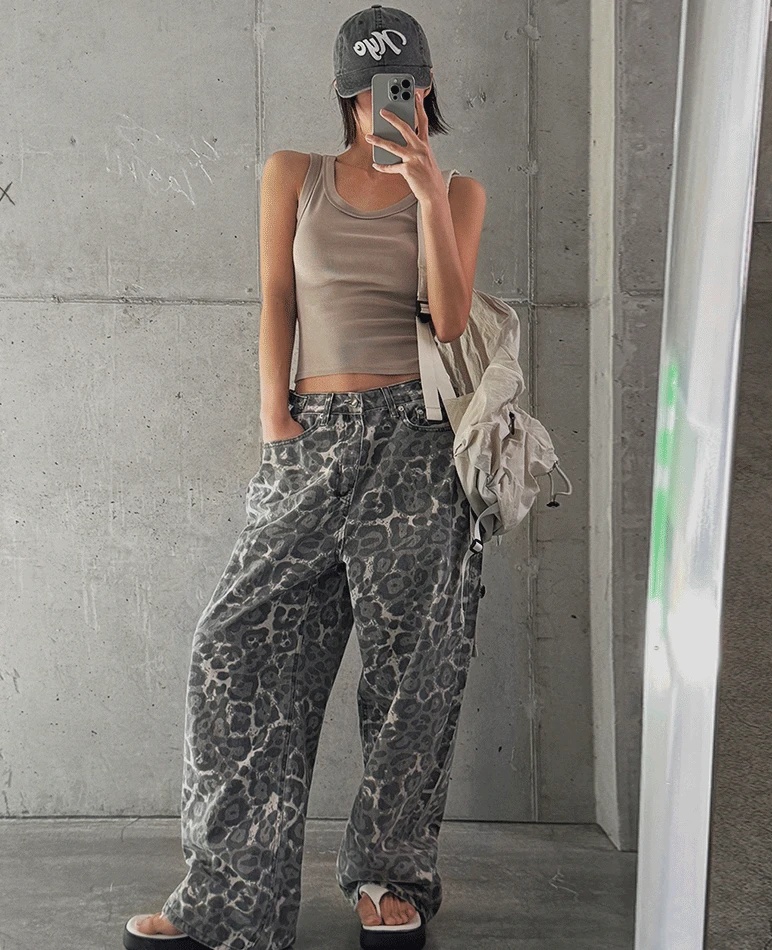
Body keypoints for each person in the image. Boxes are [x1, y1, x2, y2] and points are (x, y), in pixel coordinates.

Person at [123, 6, 487, 950]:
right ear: (344, 94)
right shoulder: (294, 173)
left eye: (403, 86)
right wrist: (272, 416)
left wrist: (429, 194)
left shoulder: (459, 192)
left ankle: (388, 879)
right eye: (368, 90)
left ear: (426, 88)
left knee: (415, 677)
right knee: (233, 651)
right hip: (311, 435)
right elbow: (277, 297)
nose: (385, 104)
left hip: (417, 445)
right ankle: (228, 898)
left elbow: (450, 323)